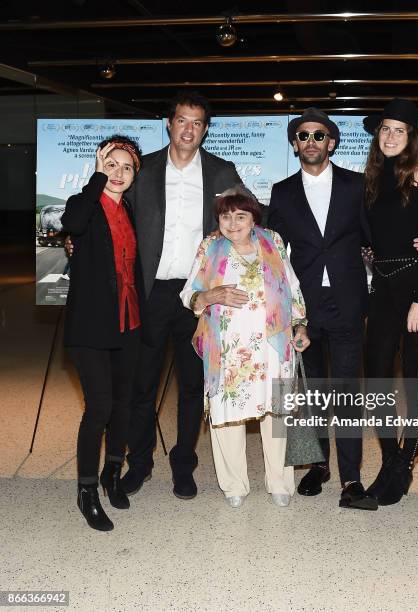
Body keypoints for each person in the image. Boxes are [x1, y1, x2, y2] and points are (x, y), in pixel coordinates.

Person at [116, 91, 243, 499]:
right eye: (182, 121)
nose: (188, 129)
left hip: (199, 296)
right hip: (151, 292)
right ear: (169, 124)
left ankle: (183, 464)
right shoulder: (144, 168)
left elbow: (249, 221)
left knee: (192, 386)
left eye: (197, 123)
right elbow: (115, 215)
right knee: (143, 384)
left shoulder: (223, 171)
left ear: (205, 130)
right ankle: (139, 462)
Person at [268, 108, 379, 510]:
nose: (311, 141)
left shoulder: (356, 185)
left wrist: (413, 245)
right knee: (311, 390)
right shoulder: (281, 192)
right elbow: (272, 250)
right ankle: (318, 464)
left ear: (331, 142)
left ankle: (351, 476)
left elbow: (374, 235)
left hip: (348, 302)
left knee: (348, 392)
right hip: (305, 306)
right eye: (303, 136)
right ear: (295, 144)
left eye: (319, 135)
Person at [180, 191, 310, 508]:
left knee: (277, 414)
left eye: (241, 216)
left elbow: (292, 286)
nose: (233, 223)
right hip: (228, 349)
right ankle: (233, 483)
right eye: (226, 216)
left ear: (254, 218)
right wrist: (211, 296)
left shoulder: (273, 242)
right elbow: (189, 294)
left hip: (273, 345)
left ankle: (279, 481)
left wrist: (301, 325)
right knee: (227, 414)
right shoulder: (211, 246)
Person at [362, 98, 418, 506]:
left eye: (400, 130)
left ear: (411, 138)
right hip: (384, 288)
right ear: (378, 135)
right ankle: (391, 459)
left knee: (414, 381)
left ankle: (402, 469)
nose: (391, 136)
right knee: (375, 376)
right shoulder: (373, 180)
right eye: (386, 129)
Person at [61, 136, 144, 531]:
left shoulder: (128, 208)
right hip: (91, 325)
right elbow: (72, 223)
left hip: (128, 321)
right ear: (99, 166)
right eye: (112, 164)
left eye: (127, 167)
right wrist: (97, 176)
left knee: (123, 403)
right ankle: (86, 491)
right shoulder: (87, 205)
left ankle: (113, 472)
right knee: (100, 407)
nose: (119, 173)